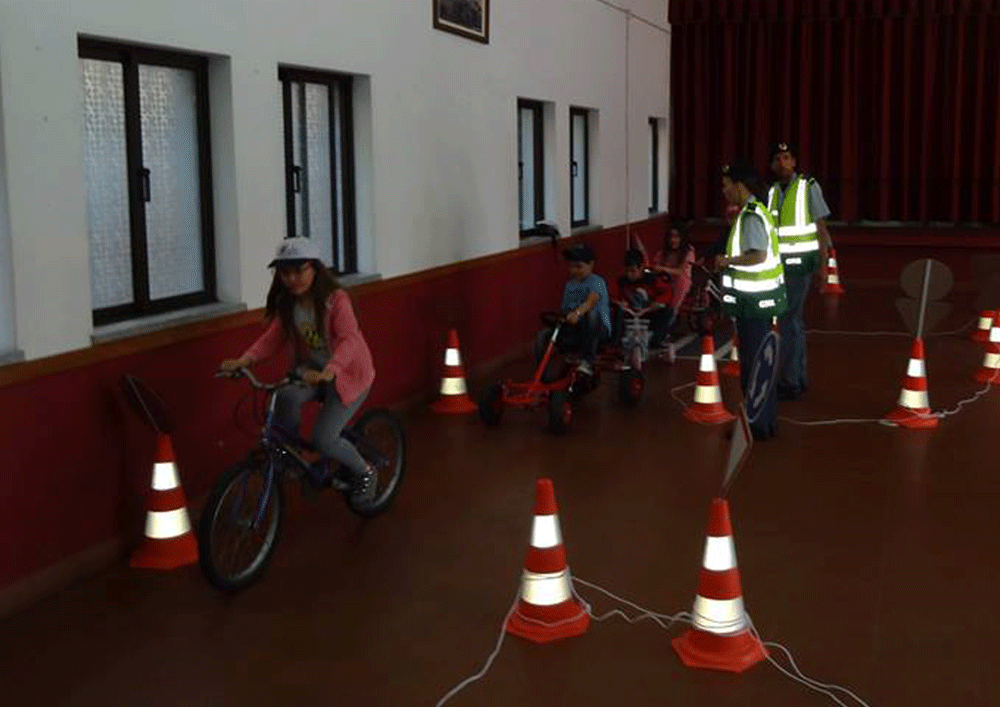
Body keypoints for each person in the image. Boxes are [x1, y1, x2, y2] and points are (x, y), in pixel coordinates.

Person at [219, 237, 377, 504]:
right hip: (313, 372)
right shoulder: (290, 303)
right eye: (285, 272)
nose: (292, 279)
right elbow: (272, 338)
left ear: (315, 268)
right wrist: (244, 360)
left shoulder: (336, 300)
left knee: (324, 439)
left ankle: (366, 472)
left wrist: (332, 370)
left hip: (349, 375)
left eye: (299, 270)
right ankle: (292, 457)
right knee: (285, 396)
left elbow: (350, 339)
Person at [716, 159, 788, 441]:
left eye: (726, 185)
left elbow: (757, 255)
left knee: (755, 366)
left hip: (755, 304)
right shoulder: (753, 211)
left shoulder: (751, 216)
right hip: (754, 302)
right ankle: (761, 422)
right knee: (757, 364)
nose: (724, 191)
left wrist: (727, 261)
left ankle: (758, 424)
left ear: (738, 185)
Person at [767, 141, 833, 401]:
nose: (782, 163)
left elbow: (820, 226)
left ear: (794, 162)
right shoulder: (772, 191)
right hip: (779, 267)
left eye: (786, 158)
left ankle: (791, 381)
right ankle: (798, 377)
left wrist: (823, 264)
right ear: (772, 165)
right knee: (794, 322)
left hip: (800, 266)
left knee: (788, 321)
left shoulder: (808, 186)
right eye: (778, 159)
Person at [535, 243, 611, 376]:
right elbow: (565, 309)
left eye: (579, 266)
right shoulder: (570, 286)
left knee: (591, 314)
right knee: (544, 334)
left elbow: (591, 301)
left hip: (598, 330)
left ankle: (588, 361)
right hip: (576, 328)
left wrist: (577, 313)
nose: (574, 270)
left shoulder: (597, 281)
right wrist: (563, 317)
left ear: (591, 265)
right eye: (571, 267)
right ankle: (543, 375)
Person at [611, 248, 673, 351]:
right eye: (627, 271)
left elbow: (667, 293)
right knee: (618, 312)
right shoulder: (622, 282)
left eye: (633, 271)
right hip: (631, 314)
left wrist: (657, 303)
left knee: (668, 311)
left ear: (641, 268)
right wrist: (620, 303)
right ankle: (616, 342)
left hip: (648, 313)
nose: (629, 274)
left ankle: (656, 340)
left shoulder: (652, 279)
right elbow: (613, 296)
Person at [651, 226, 696, 314]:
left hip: (680, 282)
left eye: (676, 237)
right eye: (671, 237)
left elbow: (680, 271)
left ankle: (673, 311)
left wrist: (663, 269)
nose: (673, 240)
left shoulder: (688, 252)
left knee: (681, 281)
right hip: (665, 281)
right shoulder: (663, 252)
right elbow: (656, 264)